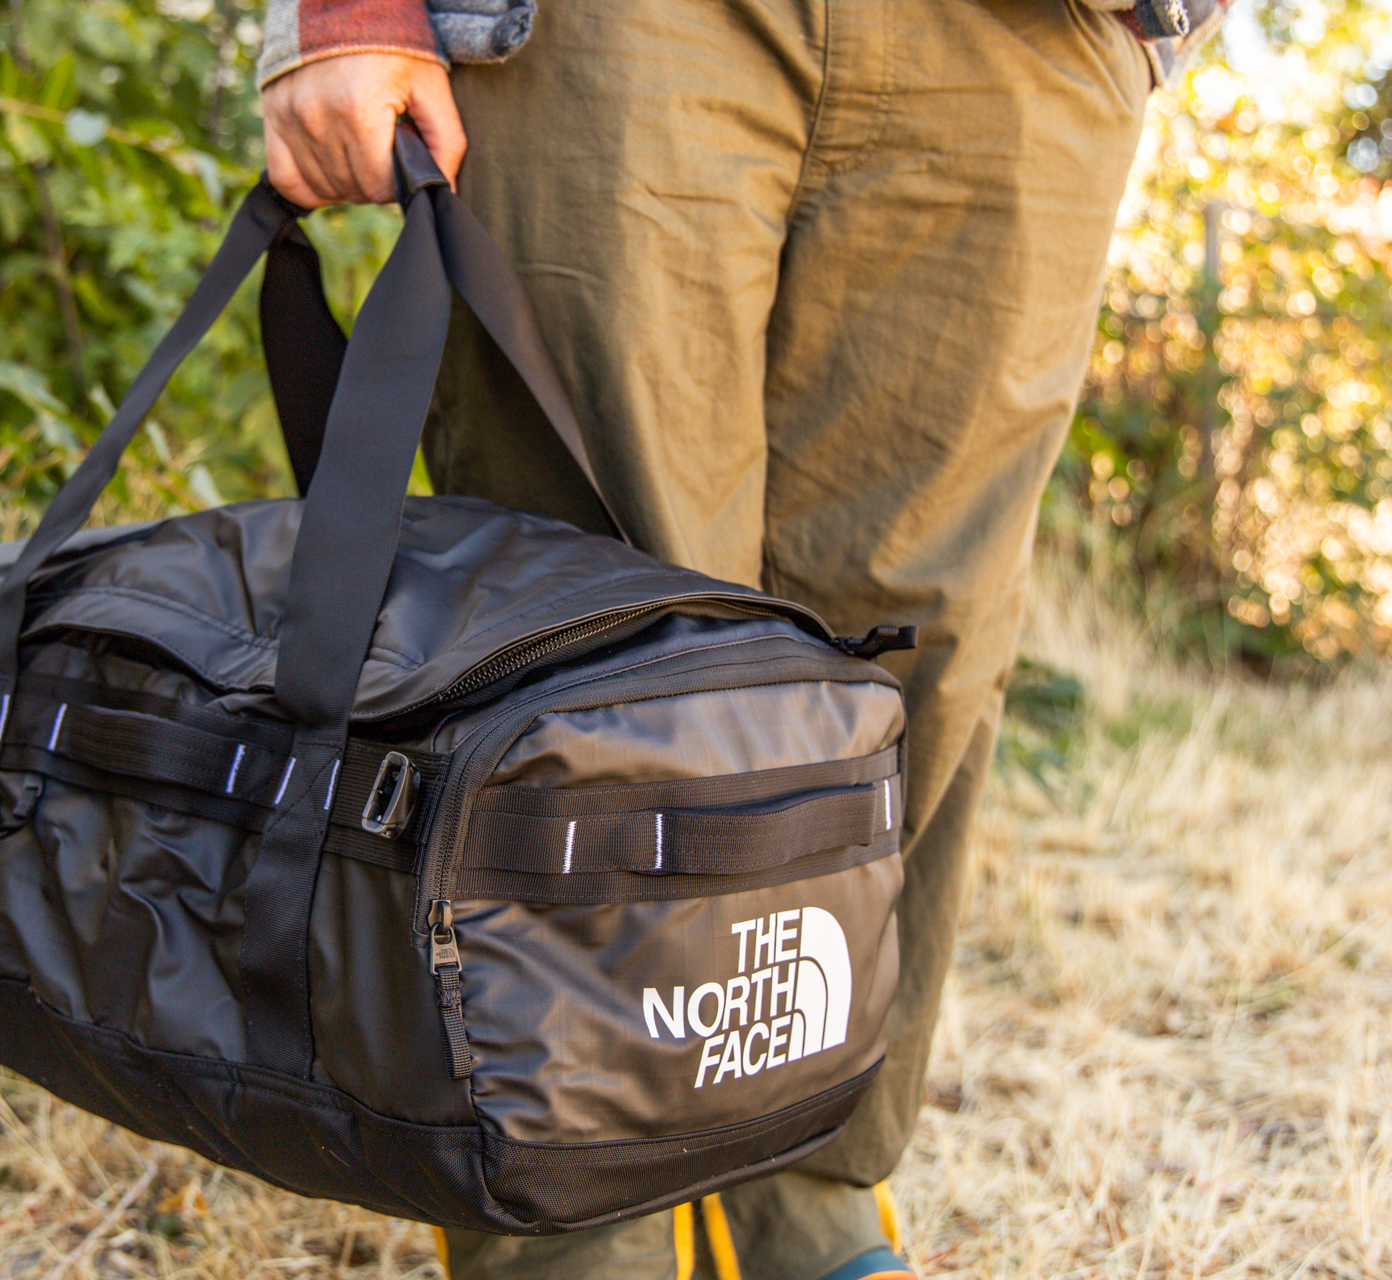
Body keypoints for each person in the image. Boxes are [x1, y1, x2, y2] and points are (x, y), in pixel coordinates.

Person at [255, 1, 1220, 1276]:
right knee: (584, 664)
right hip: (618, 29)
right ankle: (568, 1231)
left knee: (914, 653)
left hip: (1028, 40)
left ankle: (799, 1188)